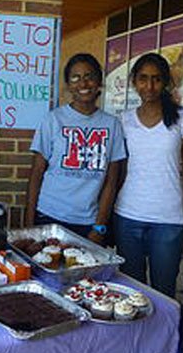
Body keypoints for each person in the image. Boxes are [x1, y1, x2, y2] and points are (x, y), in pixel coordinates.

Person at [113, 52, 183, 297]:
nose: (149, 86)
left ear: (166, 83)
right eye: (143, 79)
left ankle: (166, 337)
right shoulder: (124, 121)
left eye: (156, 79)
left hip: (169, 221)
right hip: (128, 216)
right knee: (131, 293)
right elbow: (118, 172)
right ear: (134, 82)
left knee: (164, 293)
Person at [25, 53, 126, 243]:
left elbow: (111, 182)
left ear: (99, 82)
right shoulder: (53, 119)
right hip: (48, 215)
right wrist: (30, 224)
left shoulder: (112, 125)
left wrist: (100, 226)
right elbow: (36, 173)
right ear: (69, 85)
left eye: (89, 76)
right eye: (75, 78)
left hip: (88, 222)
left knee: (84, 273)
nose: (83, 83)